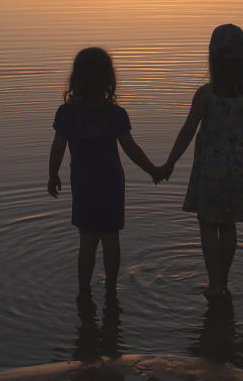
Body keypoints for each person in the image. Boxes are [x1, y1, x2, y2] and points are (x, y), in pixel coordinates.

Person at [160, 24, 243, 298]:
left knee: (209, 224)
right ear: (242, 61)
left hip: (211, 169)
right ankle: (224, 282)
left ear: (211, 59)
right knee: (229, 224)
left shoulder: (205, 94)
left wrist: (170, 163)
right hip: (238, 167)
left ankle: (213, 285)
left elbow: (188, 131)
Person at [48, 47, 161, 297]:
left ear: (76, 79)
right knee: (111, 238)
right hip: (111, 185)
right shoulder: (115, 115)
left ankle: (83, 291)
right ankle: (111, 289)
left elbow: (58, 148)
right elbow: (131, 148)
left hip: (84, 185)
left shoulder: (66, 114)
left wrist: (52, 175)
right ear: (108, 79)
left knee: (87, 241)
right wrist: (152, 169)